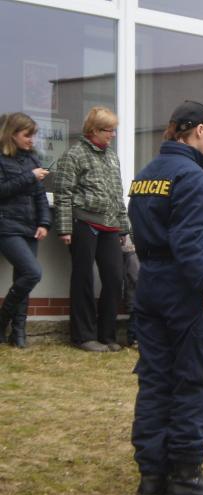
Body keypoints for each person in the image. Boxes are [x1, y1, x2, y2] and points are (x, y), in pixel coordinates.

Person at [128, 100, 203, 495]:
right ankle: (185, 478)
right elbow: (189, 241)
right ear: (197, 131)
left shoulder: (145, 175)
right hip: (187, 293)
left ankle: (152, 477)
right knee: (196, 380)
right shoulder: (195, 181)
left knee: (155, 381)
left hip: (150, 285)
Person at [53, 106, 130, 352]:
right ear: (94, 130)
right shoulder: (73, 155)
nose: (113, 135)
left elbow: (118, 195)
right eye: (109, 130)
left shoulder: (112, 157)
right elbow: (62, 195)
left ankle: (107, 335)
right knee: (83, 279)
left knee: (115, 278)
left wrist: (123, 228)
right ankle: (83, 336)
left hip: (110, 226)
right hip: (83, 224)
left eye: (114, 130)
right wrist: (65, 228)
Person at [0, 112, 50, 348]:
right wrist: (29, 177)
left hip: (31, 227)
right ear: (12, 134)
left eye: (34, 135)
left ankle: (18, 334)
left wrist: (44, 223)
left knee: (23, 278)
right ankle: (2, 322)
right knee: (33, 273)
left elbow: (41, 196)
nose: (32, 140)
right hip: (7, 226)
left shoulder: (33, 159)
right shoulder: (1, 158)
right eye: (27, 135)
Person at [121, 235, 140, 347]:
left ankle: (136, 338)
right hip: (135, 297)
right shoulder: (133, 257)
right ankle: (132, 338)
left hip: (137, 297)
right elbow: (136, 277)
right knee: (135, 317)